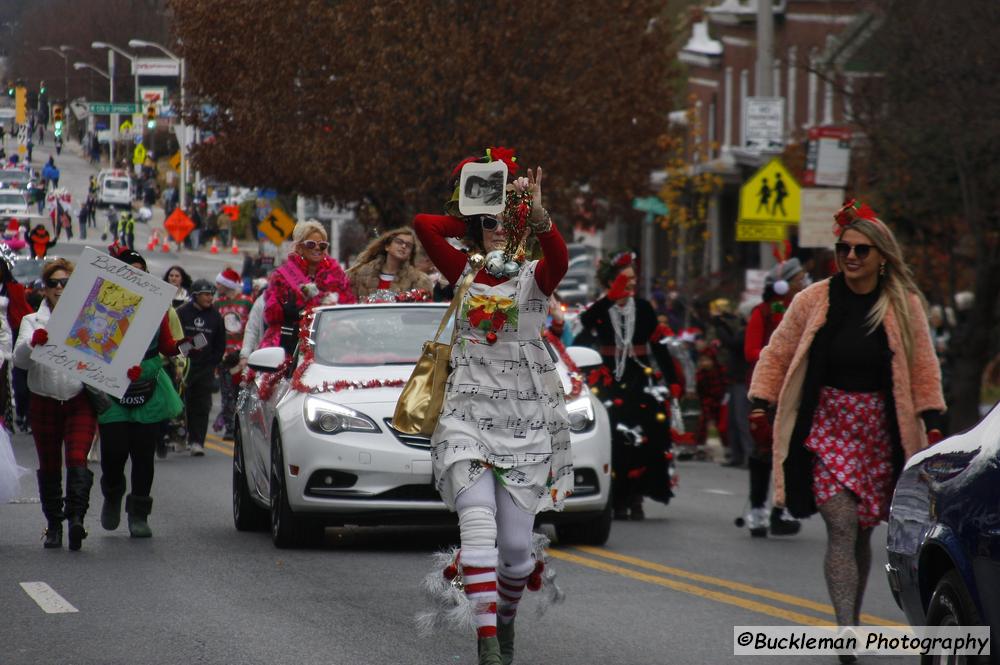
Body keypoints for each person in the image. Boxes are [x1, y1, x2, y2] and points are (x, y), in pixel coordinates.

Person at [748, 200, 944, 645]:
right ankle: (845, 628)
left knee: (862, 530)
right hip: (826, 427)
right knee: (840, 523)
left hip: (880, 430)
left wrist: (933, 419)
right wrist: (761, 402)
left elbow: (923, 368)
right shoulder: (813, 300)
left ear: (881, 257)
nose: (851, 257)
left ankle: (851, 617)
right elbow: (777, 354)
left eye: (861, 250)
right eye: (843, 249)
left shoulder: (904, 305)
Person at [414, 153, 569, 665]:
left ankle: (504, 624)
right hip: (465, 418)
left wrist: (536, 214)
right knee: (476, 529)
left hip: (524, 426)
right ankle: (486, 646)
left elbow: (559, 261)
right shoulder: (462, 269)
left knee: (518, 555)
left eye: (506, 221)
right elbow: (424, 225)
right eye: (488, 223)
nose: (497, 229)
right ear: (476, 229)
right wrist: (479, 198)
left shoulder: (533, 276)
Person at [578, 251, 680, 520]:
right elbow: (583, 332)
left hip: (640, 382)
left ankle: (637, 497)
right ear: (613, 281)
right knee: (614, 439)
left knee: (647, 438)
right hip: (609, 383)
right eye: (627, 278)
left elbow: (659, 348)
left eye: (634, 278)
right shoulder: (601, 309)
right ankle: (617, 498)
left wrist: (673, 381)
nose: (633, 283)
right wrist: (609, 300)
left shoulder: (644, 308)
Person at [95, 248, 184, 538]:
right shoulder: (103, 304)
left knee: (144, 456)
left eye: (142, 270)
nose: (138, 275)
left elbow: (168, 345)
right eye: (131, 270)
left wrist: (189, 346)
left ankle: (139, 514)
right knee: (113, 451)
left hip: (147, 384)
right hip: (113, 384)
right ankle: (112, 492)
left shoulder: (158, 308)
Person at [13, 259, 97, 550]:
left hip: (78, 399)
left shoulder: (88, 318)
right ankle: (54, 525)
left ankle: (76, 519)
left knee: (77, 457)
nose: (60, 288)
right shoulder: (31, 321)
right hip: (44, 400)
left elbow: (107, 354)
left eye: (66, 283)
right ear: (44, 289)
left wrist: (125, 373)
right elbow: (19, 361)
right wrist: (33, 343)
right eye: (53, 283)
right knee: (49, 464)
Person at [741, 258, 809, 538]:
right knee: (763, 451)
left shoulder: (808, 312)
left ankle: (781, 509)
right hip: (769, 392)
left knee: (791, 452)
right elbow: (750, 351)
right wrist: (780, 359)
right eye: (799, 278)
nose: (804, 283)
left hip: (797, 392)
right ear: (784, 284)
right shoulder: (764, 312)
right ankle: (757, 510)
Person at [262, 220, 355, 354]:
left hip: (329, 343)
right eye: (311, 244)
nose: (317, 248)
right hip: (290, 341)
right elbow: (270, 315)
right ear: (299, 247)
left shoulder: (337, 274)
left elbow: (348, 309)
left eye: (322, 245)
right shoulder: (282, 275)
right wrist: (287, 313)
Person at [176, 279, 226, 456]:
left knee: (202, 405)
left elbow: (220, 345)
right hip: (182, 366)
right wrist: (186, 351)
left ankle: (197, 441)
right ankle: (178, 436)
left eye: (212, 294)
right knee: (180, 404)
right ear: (195, 296)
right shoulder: (181, 313)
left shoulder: (216, 317)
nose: (209, 297)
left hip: (205, 368)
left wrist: (212, 362)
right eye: (206, 294)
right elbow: (174, 341)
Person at [213, 268, 251, 440]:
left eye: (219, 283)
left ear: (228, 285)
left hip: (242, 358)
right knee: (227, 394)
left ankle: (243, 427)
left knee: (242, 393)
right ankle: (230, 427)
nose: (217, 285)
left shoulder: (247, 302)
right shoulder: (217, 304)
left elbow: (253, 329)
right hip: (224, 358)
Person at [346, 226, 433, 300]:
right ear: (387, 246)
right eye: (399, 242)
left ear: (411, 253)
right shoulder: (359, 275)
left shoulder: (419, 281)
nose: (403, 246)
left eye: (408, 245)